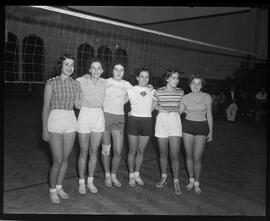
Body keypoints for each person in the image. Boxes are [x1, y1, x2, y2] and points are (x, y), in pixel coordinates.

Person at [42, 54, 81, 204]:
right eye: (66, 64)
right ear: (61, 66)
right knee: (57, 160)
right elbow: (45, 107)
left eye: (72, 65)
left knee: (65, 159)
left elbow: (77, 105)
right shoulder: (51, 83)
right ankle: (52, 190)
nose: (70, 67)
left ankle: (59, 187)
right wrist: (44, 129)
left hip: (71, 121)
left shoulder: (76, 84)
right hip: (55, 122)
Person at [76, 57, 107, 194]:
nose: (96, 70)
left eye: (98, 68)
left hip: (98, 116)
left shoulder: (106, 82)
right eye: (93, 68)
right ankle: (81, 182)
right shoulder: (80, 81)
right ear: (89, 70)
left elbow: (125, 87)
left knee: (94, 152)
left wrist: (149, 87)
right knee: (83, 152)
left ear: (102, 70)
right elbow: (75, 102)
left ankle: (90, 181)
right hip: (84, 115)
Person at [101, 61, 133, 188]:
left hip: (119, 118)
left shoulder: (127, 85)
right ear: (112, 70)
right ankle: (107, 175)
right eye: (116, 69)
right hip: (104, 117)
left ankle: (114, 175)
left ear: (124, 72)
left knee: (118, 151)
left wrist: (150, 87)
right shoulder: (105, 82)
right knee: (106, 150)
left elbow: (138, 94)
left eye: (122, 70)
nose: (119, 72)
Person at [179, 74, 213, 194]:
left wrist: (211, 131)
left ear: (202, 85)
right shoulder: (185, 97)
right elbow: (177, 112)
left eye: (198, 83)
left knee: (197, 158)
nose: (196, 86)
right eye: (193, 83)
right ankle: (191, 180)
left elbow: (209, 114)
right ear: (189, 84)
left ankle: (197, 183)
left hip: (202, 127)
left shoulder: (207, 97)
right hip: (187, 127)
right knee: (188, 156)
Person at [154, 69, 184, 195]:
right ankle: (164, 177)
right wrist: (159, 107)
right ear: (166, 79)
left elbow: (181, 108)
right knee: (162, 152)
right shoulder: (158, 91)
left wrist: (173, 111)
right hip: (161, 121)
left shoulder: (180, 92)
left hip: (175, 121)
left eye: (177, 78)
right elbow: (154, 105)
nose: (176, 80)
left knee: (174, 154)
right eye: (173, 78)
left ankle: (176, 182)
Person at [126, 67, 157, 187]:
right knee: (132, 150)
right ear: (137, 77)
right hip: (134, 120)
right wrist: (129, 112)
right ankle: (131, 176)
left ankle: (137, 174)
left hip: (147, 121)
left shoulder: (152, 91)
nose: (144, 79)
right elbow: (122, 102)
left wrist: (147, 112)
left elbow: (155, 102)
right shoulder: (131, 90)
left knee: (141, 150)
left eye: (147, 77)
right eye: (142, 76)